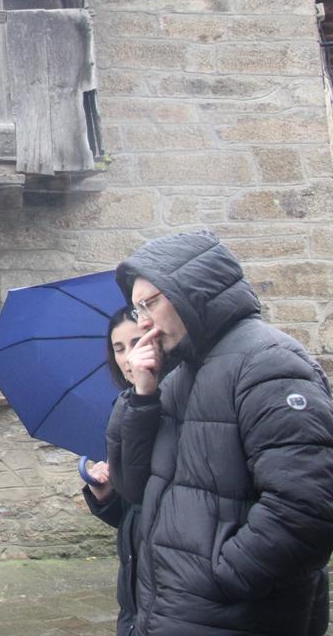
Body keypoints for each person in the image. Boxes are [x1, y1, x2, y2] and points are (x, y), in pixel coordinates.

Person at [107, 230, 333, 635]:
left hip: (231, 617)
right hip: (167, 616)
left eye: (149, 303)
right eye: (136, 307)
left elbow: (307, 508)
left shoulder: (269, 364)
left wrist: (225, 578)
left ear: (191, 291)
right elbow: (133, 487)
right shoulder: (177, 377)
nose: (142, 322)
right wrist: (141, 395)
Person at [82, 306, 141, 636]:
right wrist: (106, 497)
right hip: (135, 593)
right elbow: (137, 511)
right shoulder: (125, 407)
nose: (127, 356)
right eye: (119, 348)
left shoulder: (183, 405)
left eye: (137, 342)